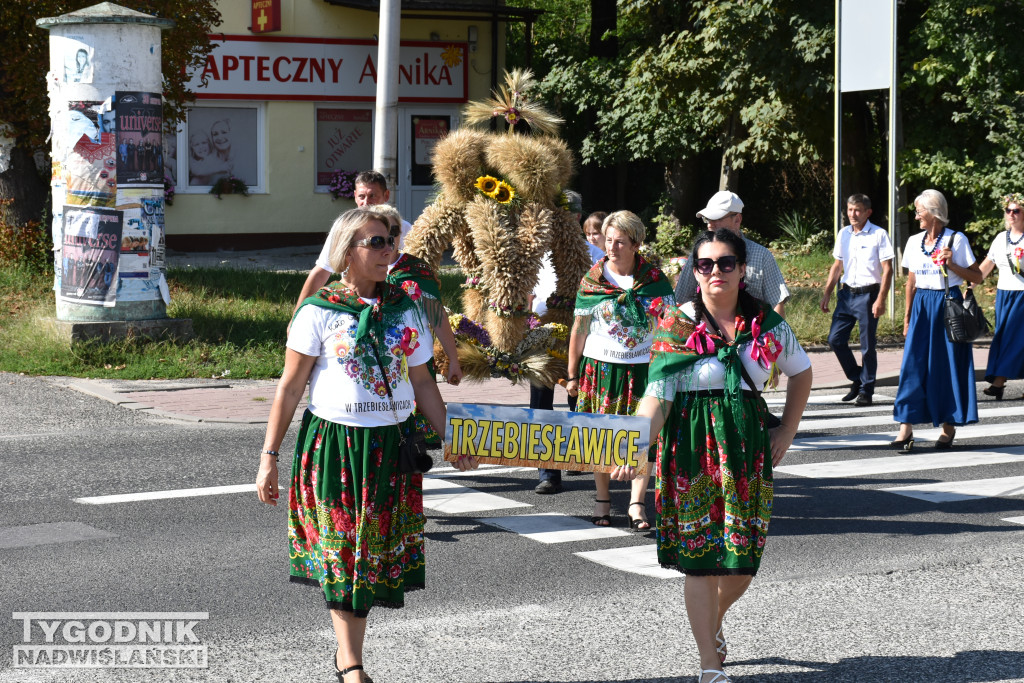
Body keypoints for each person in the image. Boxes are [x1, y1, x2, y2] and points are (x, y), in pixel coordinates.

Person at [256, 208, 477, 683]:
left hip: (390, 448)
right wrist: (268, 457)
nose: (387, 249)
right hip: (334, 447)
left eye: (390, 240)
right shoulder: (318, 310)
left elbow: (423, 384)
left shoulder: (407, 308)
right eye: (375, 242)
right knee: (341, 552)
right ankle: (350, 661)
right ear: (346, 252)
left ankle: (348, 656)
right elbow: (290, 389)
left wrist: (451, 437)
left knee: (369, 556)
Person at [616, 228, 811, 683]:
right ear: (694, 272)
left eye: (726, 263)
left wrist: (787, 428)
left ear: (743, 270)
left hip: (745, 451)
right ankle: (710, 665)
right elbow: (657, 395)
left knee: (742, 562)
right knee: (702, 563)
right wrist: (636, 442)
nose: (716, 272)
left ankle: (712, 620)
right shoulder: (677, 322)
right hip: (689, 450)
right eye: (705, 264)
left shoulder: (766, 323)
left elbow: (801, 374)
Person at [565, 211, 674, 528]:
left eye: (619, 242)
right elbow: (579, 329)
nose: (611, 247)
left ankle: (637, 503)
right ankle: (603, 500)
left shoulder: (653, 281)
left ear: (636, 244)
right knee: (602, 437)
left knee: (643, 437)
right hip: (601, 369)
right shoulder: (593, 280)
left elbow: (669, 327)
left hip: (643, 371)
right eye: (608, 240)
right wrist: (572, 373)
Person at [891, 189, 982, 453]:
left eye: (920, 210)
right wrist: (907, 318)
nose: (917, 215)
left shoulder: (957, 239)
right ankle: (905, 428)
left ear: (934, 212)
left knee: (946, 366)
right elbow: (911, 282)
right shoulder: (913, 241)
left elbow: (977, 278)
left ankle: (948, 426)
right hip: (922, 306)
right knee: (912, 366)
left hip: (947, 304)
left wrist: (952, 265)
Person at [533, 191, 596, 494]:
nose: (561, 223)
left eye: (567, 216)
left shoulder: (594, 255)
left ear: (577, 218)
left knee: (578, 398)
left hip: (583, 337)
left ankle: (576, 454)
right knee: (542, 402)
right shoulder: (538, 255)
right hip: (543, 337)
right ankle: (548, 472)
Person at [292, 171, 413, 319]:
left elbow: (417, 269)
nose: (366, 202)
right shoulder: (344, 228)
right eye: (362, 196)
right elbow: (322, 271)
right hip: (353, 305)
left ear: (386, 196)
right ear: (355, 196)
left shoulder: (402, 228)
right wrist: (297, 315)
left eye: (372, 195)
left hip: (394, 305)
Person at [372, 203, 464, 396]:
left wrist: (453, 359)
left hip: (415, 361)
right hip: (375, 361)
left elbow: (437, 316)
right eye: (380, 234)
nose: (389, 239)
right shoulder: (360, 271)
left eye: (394, 231)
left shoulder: (416, 270)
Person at [819, 194, 894, 406]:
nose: (853, 214)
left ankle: (866, 390)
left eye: (858, 210)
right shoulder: (844, 234)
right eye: (850, 209)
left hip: (869, 295)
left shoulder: (879, 234)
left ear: (868, 212)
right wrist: (827, 293)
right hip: (846, 294)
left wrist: (881, 299)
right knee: (835, 339)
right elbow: (837, 266)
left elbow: (888, 270)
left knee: (867, 345)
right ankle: (857, 377)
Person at [674, 191, 790, 317]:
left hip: (753, 332)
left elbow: (777, 304)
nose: (710, 224)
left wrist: (775, 335)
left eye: (717, 219)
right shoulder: (699, 255)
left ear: (737, 219)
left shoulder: (762, 255)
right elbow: (681, 299)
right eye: (707, 219)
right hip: (707, 332)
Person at [977, 192, 1024, 400]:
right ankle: (999, 380)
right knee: (1004, 337)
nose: (1011, 214)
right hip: (1004, 294)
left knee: (1016, 339)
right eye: (1008, 210)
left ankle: (998, 381)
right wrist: (970, 283)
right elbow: (988, 265)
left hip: (1022, 295)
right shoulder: (1000, 239)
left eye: (1016, 211)